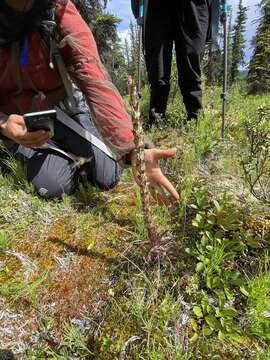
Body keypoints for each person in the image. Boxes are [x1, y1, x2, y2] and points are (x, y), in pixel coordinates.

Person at [0, 0, 179, 206]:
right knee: (53, 184)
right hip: (13, 122)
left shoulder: (57, 8)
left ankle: (61, 148)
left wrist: (134, 150)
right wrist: (4, 124)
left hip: (61, 109)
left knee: (108, 174)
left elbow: (93, 77)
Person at [131, 0, 211, 125]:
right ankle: (156, 119)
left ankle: (196, 119)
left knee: (190, 58)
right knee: (158, 64)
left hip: (193, 4)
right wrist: (137, 8)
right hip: (157, 5)